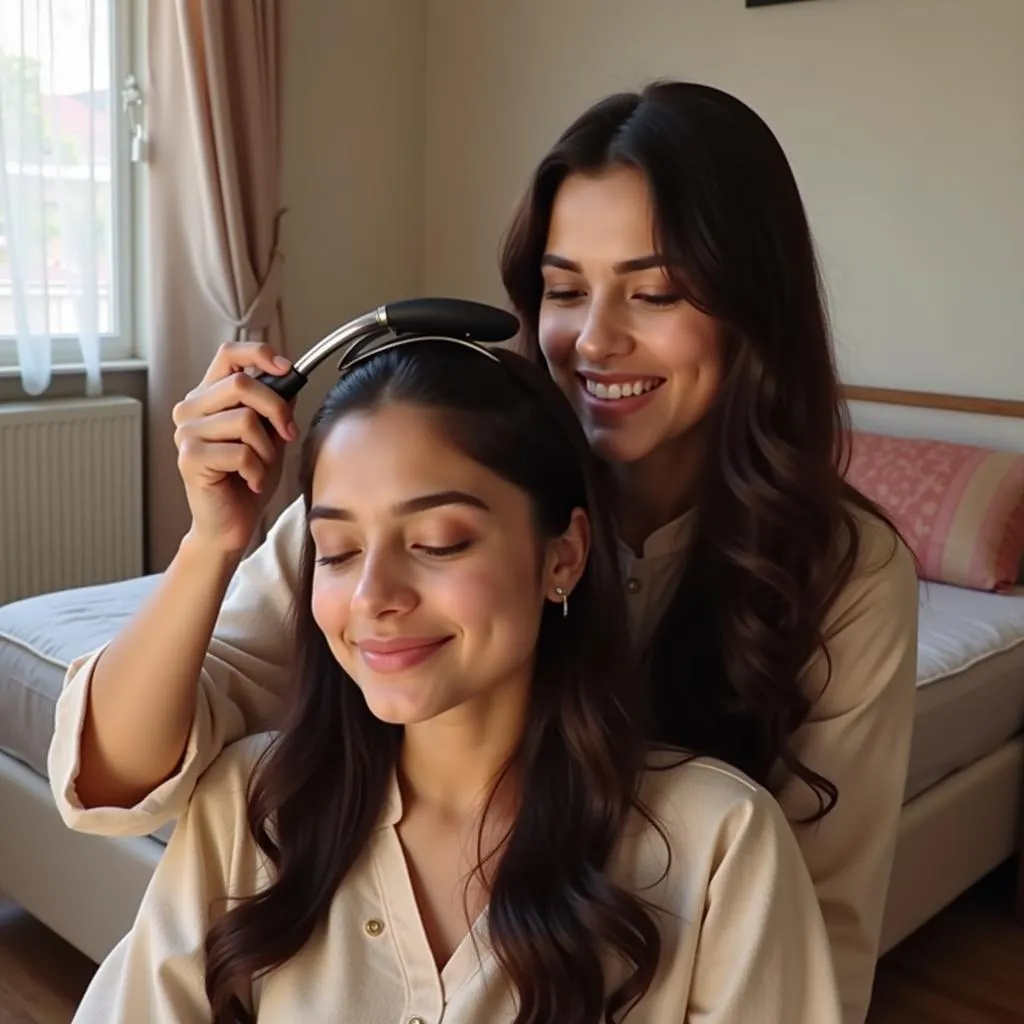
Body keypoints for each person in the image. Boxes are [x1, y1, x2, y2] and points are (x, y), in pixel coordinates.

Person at [50, 81, 918, 1024]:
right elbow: (123, 777)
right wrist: (211, 542)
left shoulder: (841, 583)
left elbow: (811, 937)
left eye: (655, 291)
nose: (594, 338)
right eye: (563, 290)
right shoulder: (391, 509)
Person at [69, 340, 842, 1023]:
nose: (374, 595)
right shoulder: (250, 808)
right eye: (336, 550)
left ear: (564, 556)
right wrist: (213, 539)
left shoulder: (719, 844)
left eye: (439, 541)